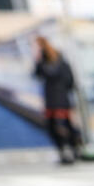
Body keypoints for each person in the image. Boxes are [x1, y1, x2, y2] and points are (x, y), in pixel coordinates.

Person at [33, 36, 82, 164]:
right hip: (63, 100)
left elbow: (37, 74)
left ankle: (65, 152)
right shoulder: (63, 64)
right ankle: (74, 150)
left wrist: (38, 61)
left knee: (55, 127)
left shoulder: (45, 65)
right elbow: (70, 82)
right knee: (66, 126)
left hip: (52, 101)